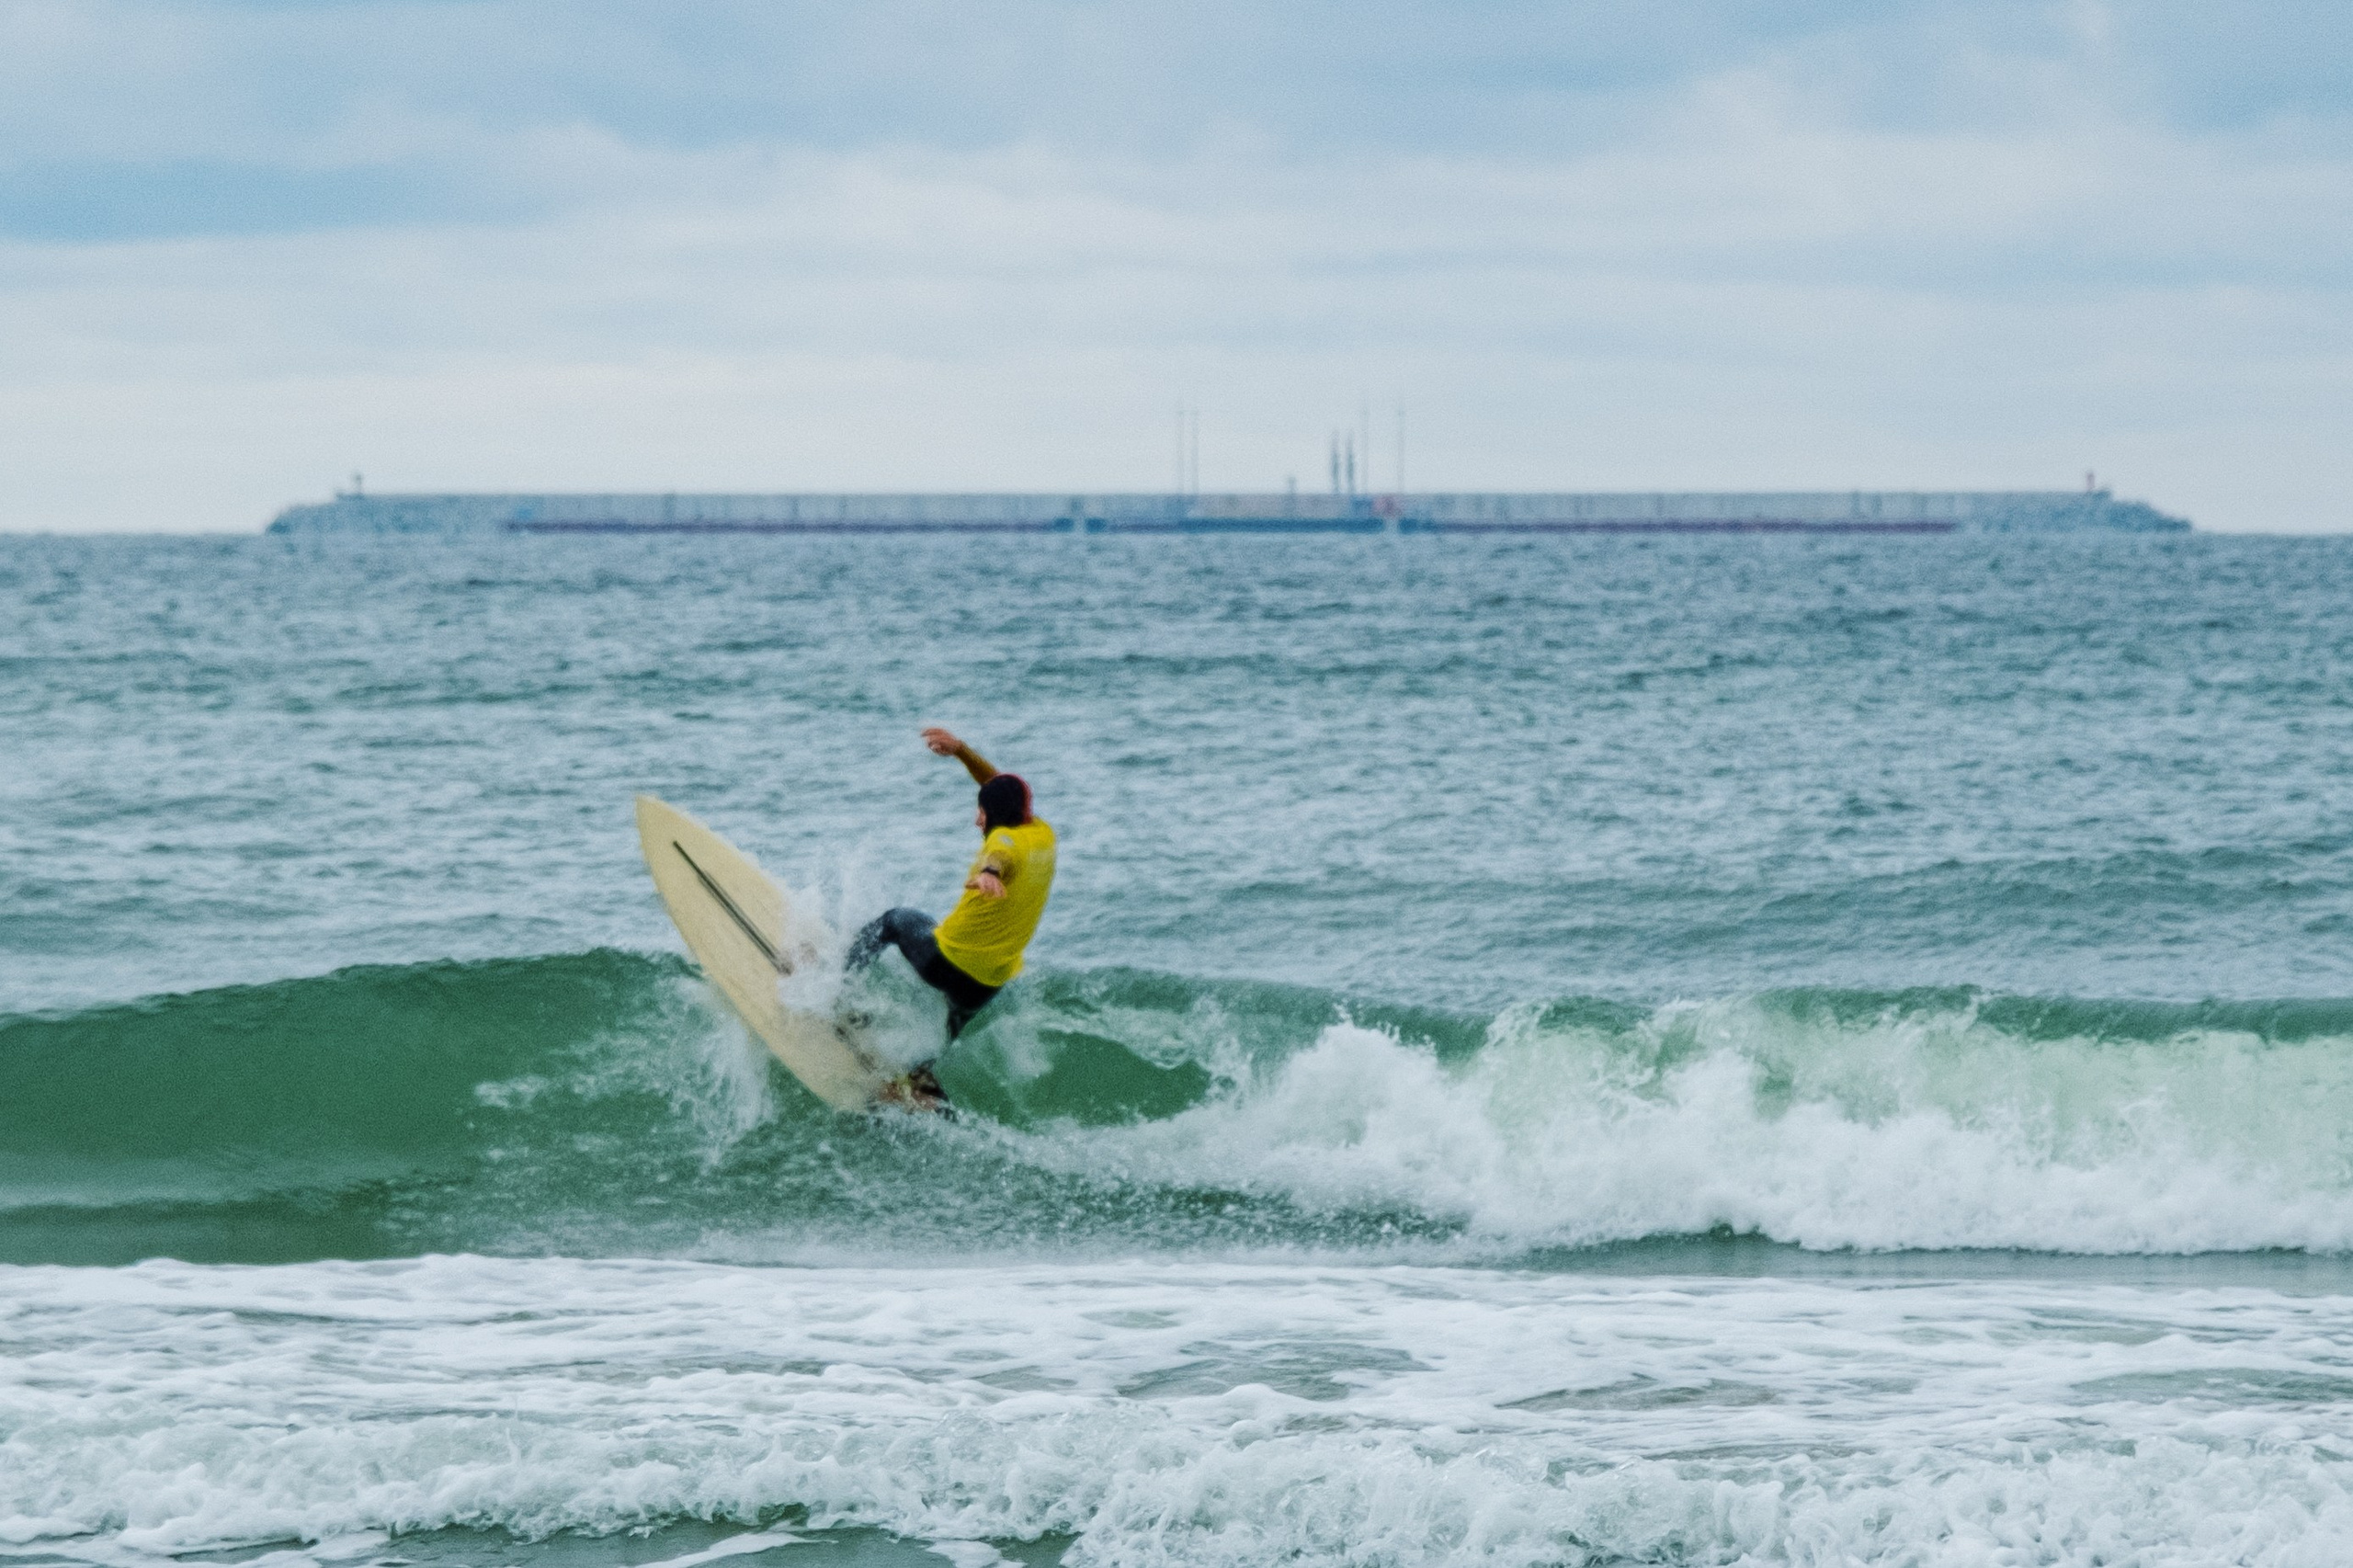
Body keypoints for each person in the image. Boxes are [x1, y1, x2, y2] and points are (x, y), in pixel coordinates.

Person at [848, 727, 1057, 1108]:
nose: (977, 821)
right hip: (988, 982)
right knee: (949, 1025)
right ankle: (918, 1083)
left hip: (947, 962)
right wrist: (961, 752)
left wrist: (989, 873)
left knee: (896, 920)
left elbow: (1001, 853)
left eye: (981, 812)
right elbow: (1000, 787)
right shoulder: (1041, 834)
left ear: (993, 815)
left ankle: (837, 984)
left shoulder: (1004, 842)